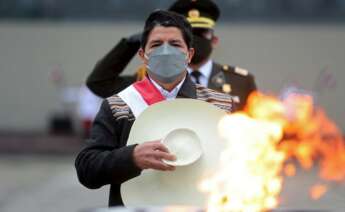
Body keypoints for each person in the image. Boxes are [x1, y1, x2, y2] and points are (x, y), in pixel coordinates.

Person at [75, 10, 233, 207]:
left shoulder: (219, 105)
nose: (166, 52)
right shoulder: (119, 104)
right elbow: (87, 169)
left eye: (175, 45)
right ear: (143, 55)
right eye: (156, 45)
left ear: (189, 54)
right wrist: (131, 158)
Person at [86, 0, 257, 110]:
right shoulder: (149, 79)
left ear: (214, 40)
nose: (196, 38)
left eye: (201, 32)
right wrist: (129, 44)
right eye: (190, 33)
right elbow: (99, 83)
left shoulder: (241, 81)